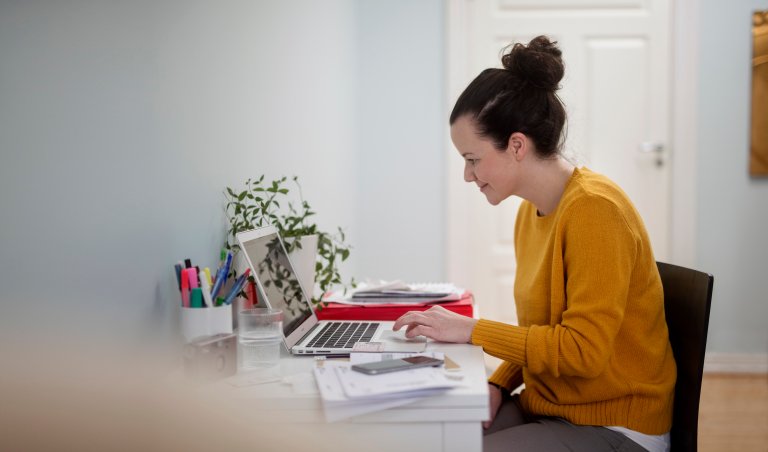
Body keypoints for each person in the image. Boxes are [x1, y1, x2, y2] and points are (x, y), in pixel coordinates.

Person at [393, 36, 676, 452]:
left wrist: (472, 331)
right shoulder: (532, 211)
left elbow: (583, 352)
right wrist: (497, 382)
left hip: (615, 423)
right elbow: (542, 332)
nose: (467, 176)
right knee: (434, 431)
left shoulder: (596, 210)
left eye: (473, 159)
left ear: (517, 145)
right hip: (555, 405)